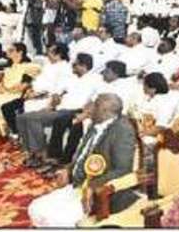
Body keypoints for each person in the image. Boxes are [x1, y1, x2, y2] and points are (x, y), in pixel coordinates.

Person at [27, 93, 141, 227]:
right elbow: (83, 154)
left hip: (102, 193)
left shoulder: (122, 130)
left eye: (95, 105)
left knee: (57, 220)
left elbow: (123, 170)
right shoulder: (95, 124)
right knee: (36, 208)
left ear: (104, 111)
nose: (90, 108)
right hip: (78, 186)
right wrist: (68, 170)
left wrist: (92, 186)